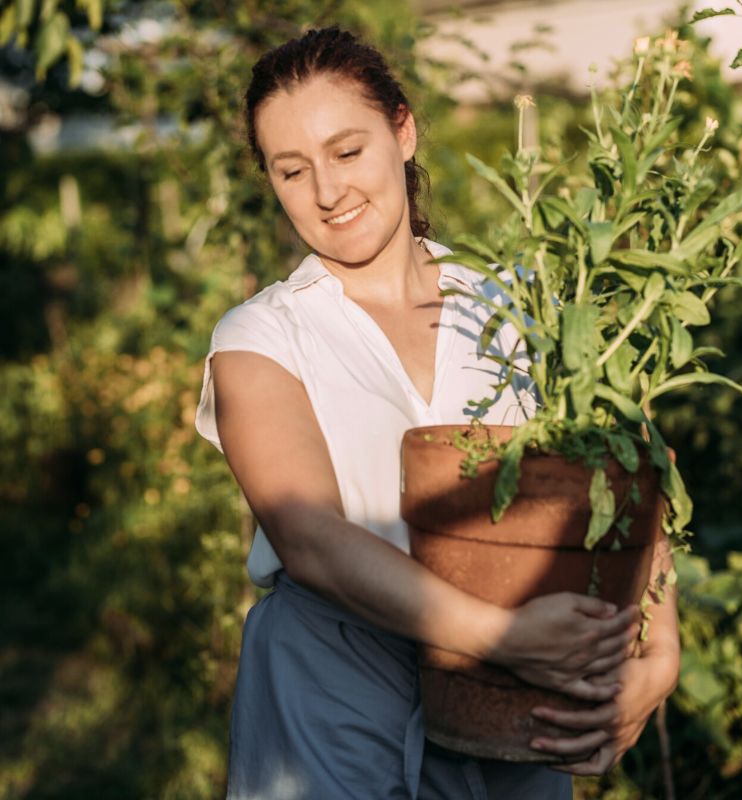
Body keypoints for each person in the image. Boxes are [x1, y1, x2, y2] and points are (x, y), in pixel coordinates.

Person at [195, 25, 680, 800]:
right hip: (333, 700)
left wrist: (659, 647)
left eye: (347, 152)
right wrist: (505, 637)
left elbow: (617, 463)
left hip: (513, 715)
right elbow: (311, 538)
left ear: (404, 129)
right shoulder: (259, 335)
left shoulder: (523, 304)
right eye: (292, 170)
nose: (326, 191)